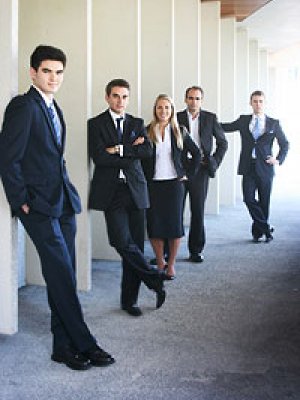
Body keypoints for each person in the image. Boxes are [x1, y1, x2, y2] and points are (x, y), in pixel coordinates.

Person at [0, 45, 115, 370]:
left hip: (63, 201)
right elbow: (8, 158)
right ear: (33, 72)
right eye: (47, 71)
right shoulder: (23, 106)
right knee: (63, 274)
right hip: (37, 206)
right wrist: (21, 199)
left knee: (63, 273)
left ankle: (61, 346)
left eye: (59, 72)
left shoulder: (53, 106)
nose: (54, 77)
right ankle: (85, 343)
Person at [88, 79, 172, 318]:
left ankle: (130, 301)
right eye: (115, 96)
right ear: (107, 97)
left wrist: (119, 149)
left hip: (135, 190)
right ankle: (154, 278)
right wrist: (130, 151)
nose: (120, 101)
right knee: (121, 242)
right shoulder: (95, 124)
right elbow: (100, 158)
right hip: (111, 192)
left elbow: (146, 152)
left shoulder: (136, 123)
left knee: (134, 245)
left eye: (124, 97)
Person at [143, 94, 201, 278]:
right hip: (153, 185)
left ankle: (171, 265)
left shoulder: (179, 131)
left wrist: (187, 175)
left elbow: (197, 154)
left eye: (167, 107)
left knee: (174, 225)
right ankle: (160, 262)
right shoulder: (146, 131)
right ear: (155, 110)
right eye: (160, 107)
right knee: (155, 225)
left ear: (172, 110)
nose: (163, 111)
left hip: (174, 185)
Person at [221, 90, 289, 242]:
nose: (258, 104)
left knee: (264, 201)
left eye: (261, 101)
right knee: (248, 198)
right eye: (255, 101)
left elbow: (285, 144)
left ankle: (258, 232)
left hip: (265, 168)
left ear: (265, 103)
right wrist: (209, 122)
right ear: (250, 103)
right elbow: (226, 127)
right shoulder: (244, 120)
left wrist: (277, 160)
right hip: (248, 166)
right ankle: (266, 228)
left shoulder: (274, 123)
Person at [177, 86, 228, 262]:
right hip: (181, 169)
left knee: (197, 210)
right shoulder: (176, 118)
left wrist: (213, 162)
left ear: (201, 100)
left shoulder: (210, 118)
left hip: (201, 169)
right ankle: (169, 252)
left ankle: (195, 250)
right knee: (175, 210)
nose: (193, 102)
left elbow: (223, 143)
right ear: (185, 99)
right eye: (190, 98)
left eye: (197, 98)